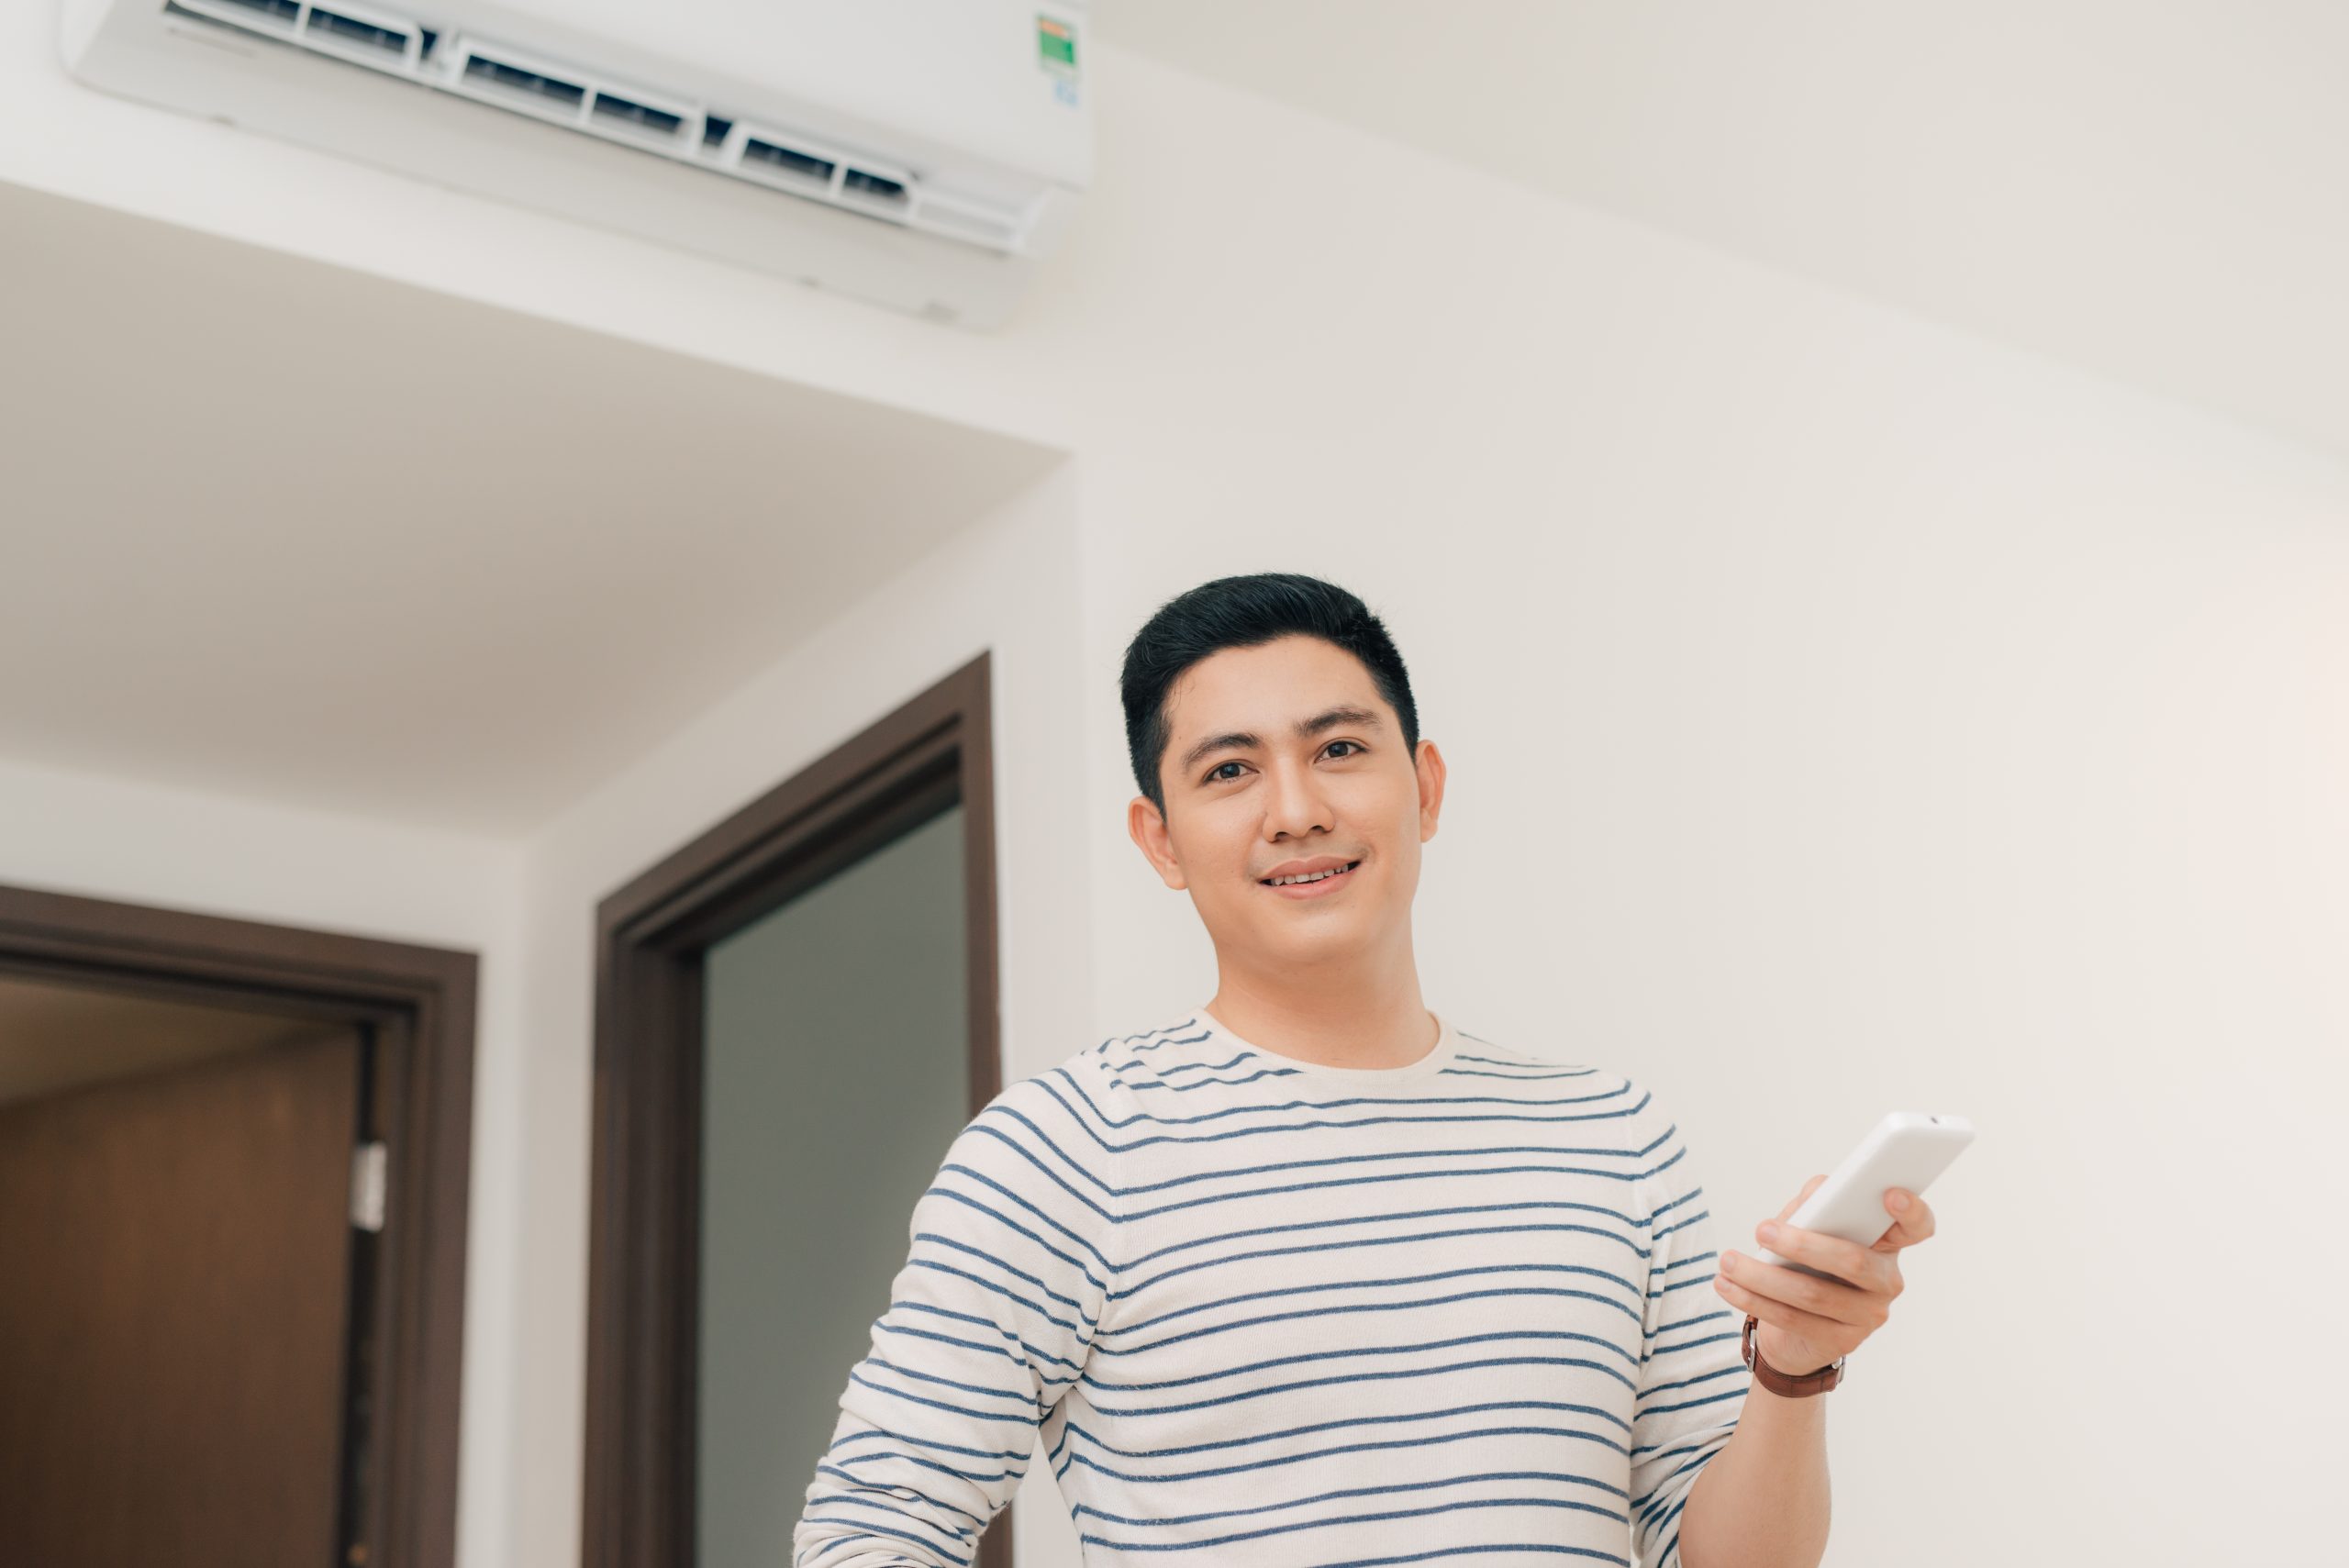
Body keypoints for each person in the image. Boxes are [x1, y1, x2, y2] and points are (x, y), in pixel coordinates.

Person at [791, 573, 1938, 1568]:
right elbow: (871, 1527)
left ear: (1424, 787)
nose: (1297, 809)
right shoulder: (1063, 1146)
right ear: (1161, 841)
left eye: (1338, 749)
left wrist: (1791, 1371)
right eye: (1230, 769)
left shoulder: (1610, 1132)